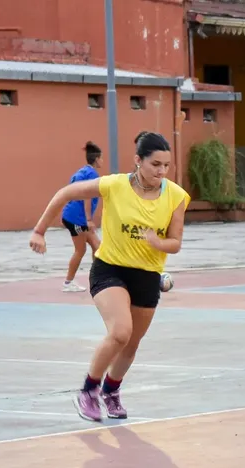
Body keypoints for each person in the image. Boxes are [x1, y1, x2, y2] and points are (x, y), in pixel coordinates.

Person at [28, 131, 191, 422]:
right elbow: (65, 193)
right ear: (138, 161)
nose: (162, 171)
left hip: (148, 275)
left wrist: (158, 242)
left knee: (132, 343)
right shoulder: (114, 185)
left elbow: (176, 243)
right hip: (109, 269)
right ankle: (88, 391)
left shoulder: (176, 196)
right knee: (120, 332)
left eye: (166, 165)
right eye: (155, 164)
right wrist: (39, 230)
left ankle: (111, 391)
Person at [60, 141, 103, 293]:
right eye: (101, 158)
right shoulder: (91, 174)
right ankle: (68, 282)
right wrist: (89, 219)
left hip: (77, 217)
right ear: (97, 159)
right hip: (76, 219)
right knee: (80, 250)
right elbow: (87, 197)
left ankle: (98, 279)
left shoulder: (81, 172)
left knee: (98, 247)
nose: (102, 161)